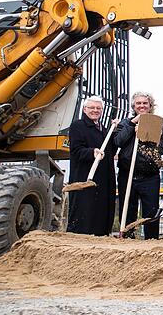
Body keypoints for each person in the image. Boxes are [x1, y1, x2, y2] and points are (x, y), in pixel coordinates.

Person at [115, 92, 163, 239]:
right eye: (138, 103)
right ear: (133, 106)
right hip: (127, 174)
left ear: (150, 105)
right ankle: (127, 237)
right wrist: (132, 126)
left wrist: (147, 136)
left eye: (145, 103)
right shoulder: (125, 123)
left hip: (149, 175)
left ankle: (151, 240)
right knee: (127, 210)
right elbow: (118, 141)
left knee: (150, 212)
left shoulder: (161, 125)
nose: (142, 106)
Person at [66, 96, 117, 236]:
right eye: (92, 108)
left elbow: (111, 150)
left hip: (103, 178)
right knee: (84, 210)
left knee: (101, 211)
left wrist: (114, 132)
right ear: (84, 109)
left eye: (98, 108)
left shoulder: (104, 130)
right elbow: (76, 150)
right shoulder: (78, 126)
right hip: (85, 176)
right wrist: (91, 152)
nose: (95, 110)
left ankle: (101, 236)